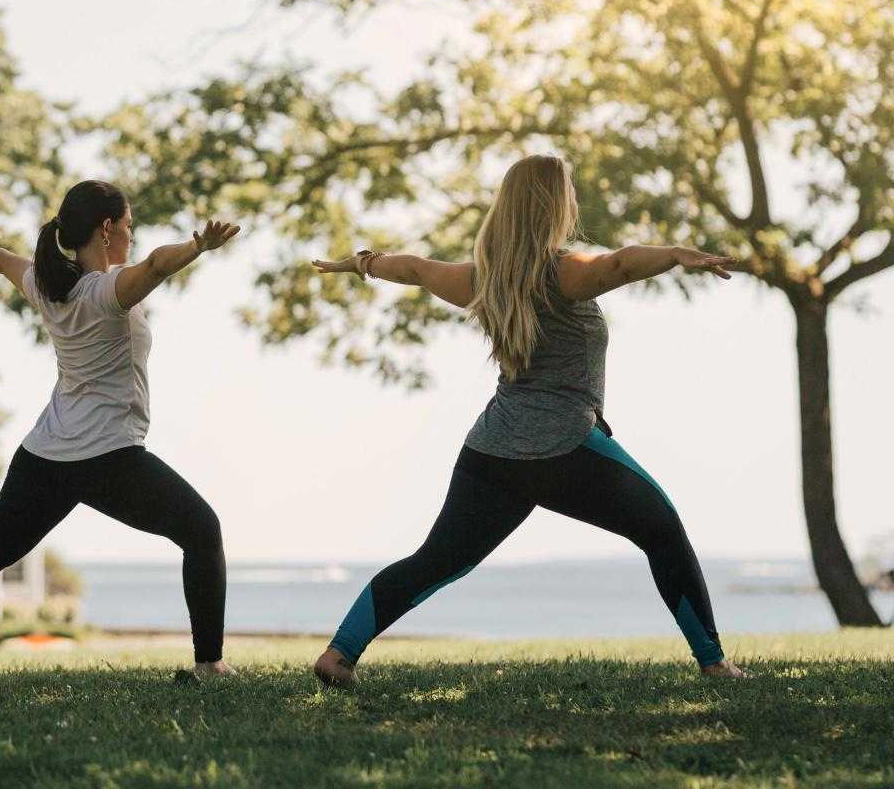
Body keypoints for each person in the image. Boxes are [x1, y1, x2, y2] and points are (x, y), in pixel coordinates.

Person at [308, 153, 747, 687]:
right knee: (663, 531)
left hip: (492, 452)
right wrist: (676, 254)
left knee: (436, 561)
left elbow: (418, 270)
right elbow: (622, 264)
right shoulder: (562, 275)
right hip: (565, 447)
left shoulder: (481, 281)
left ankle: (338, 656)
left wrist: (362, 264)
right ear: (554, 205)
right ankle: (714, 664)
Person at [0, 180, 239, 686]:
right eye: (129, 225)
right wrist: (198, 247)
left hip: (45, 455)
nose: (132, 235)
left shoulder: (49, 286)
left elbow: (1, 260)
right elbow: (157, 264)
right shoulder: (102, 292)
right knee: (203, 531)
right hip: (108, 456)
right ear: (107, 229)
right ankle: (209, 664)